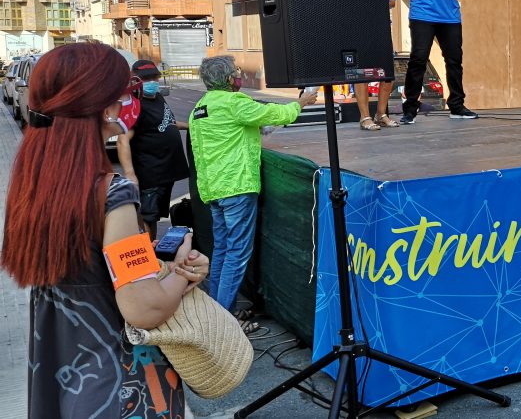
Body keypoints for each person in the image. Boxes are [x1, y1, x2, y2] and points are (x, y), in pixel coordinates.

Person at [2, 42, 209, 418]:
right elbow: (145, 308)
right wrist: (183, 272)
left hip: (60, 368)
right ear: (106, 108)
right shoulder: (112, 194)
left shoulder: (31, 183)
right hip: (115, 383)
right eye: (122, 94)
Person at [188, 55, 318, 321]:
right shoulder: (234, 103)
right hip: (236, 187)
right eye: (236, 71)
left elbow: (260, 125)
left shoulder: (200, 107)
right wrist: (301, 103)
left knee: (222, 250)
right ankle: (224, 319)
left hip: (212, 190)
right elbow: (275, 113)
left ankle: (217, 309)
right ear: (227, 79)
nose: (238, 75)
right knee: (236, 253)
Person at [117, 59, 190, 237]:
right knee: (147, 218)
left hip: (166, 171)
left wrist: (192, 125)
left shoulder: (157, 97)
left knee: (154, 216)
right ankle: (148, 258)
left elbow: (168, 123)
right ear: (134, 80)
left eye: (154, 77)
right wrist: (130, 173)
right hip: (151, 173)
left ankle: (153, 254)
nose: (152, 82)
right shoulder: (134, 104)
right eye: (146, 79)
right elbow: (122, 140)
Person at [356, 0, 400, 130]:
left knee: (388, 74)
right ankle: (365, 118)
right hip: (360, 30)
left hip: (382, 30)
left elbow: (392, 2)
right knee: (362, 74)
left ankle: (381, 115)